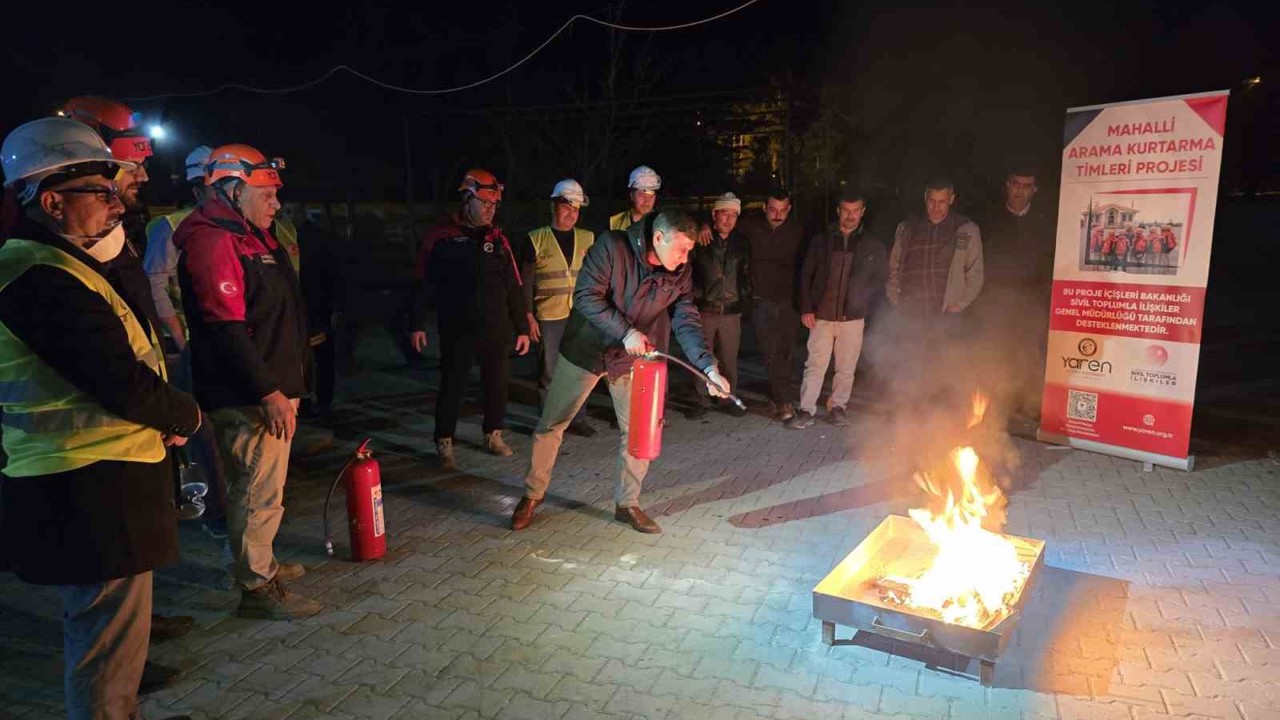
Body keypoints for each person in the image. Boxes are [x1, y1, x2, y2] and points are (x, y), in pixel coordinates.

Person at [0, 116, 200, 720]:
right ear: (52, 200)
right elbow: (116, 379)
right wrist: (186, 415)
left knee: (104, 634)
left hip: (90, 480)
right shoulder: (39, 275)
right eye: (101, 192)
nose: (116, 204)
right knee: (105, 646)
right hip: (87, 485)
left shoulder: (53, 265)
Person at [60, 96, 198, 653]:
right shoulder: (52, 262)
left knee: (118, 590)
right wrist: (174, 409)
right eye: (126, 169)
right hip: (84, 455)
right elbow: (104, 365)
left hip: (122, 438)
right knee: (99, 599)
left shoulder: (108, 241)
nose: (139, 179)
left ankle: (135, 631)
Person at [510, 210, 729, 534]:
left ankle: (627, 503)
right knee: (552, 424)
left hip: (630, 360)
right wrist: (625, 332)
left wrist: (708, 366)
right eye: (681, 249)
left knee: (639, 431)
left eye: (689, 250)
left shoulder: (680, 271)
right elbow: (585, 296)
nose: (686, 257)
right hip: (586, 349)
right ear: (658, 238)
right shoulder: (612, 247)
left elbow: (686, 318)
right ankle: (533, 493)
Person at [174, 144, 320, 619]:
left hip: (271, 388)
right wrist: (269, 391)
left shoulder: (251, 235)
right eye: (266, 194)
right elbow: (225, 328)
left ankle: (261, 562)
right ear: (232, 190)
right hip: (250, 396)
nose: (277, 204)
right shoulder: (215, 241)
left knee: (259, 488)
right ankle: (256, 589)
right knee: (257, 491)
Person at [409, 169, 530, 470]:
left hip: (495, 328)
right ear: (467, 200)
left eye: (494, 205)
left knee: (496, 384)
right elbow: (423, 283)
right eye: (485, 203)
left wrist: (523, 327)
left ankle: (493, 433)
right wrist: (417, 323)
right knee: (453, 384)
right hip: (456, 328)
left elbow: (514, 285)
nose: (490, 209)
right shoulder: (441, 237)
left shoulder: (498, 240)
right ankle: (444, 440)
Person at [142, 145, 231, 539]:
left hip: (229, 344)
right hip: (197, 347)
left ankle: (238, 520)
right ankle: (216, 517)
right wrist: (179, 339)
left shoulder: (236, 227)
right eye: (216, 187)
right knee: (204, 435)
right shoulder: (173, 226)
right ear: (198, 188)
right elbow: (155, 284)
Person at [788, 188, 887, 429]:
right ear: (838, 211)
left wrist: (865, 307)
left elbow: (880, 279)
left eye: (855, 211)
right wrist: (806, 308)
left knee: (846, 368)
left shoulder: (871, 244)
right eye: (845, 210)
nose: (850, 216)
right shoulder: (822, 240)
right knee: (815, 365)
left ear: (863, 212)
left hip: (853, 319)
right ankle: (806, 410)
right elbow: (806, 274)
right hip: (821, 316)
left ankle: (838, 407)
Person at [886, 179, 984, 409]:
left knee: (945, 363)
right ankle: (911, 412)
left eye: (942, 201)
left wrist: (959, 304)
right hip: (912, 308)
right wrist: (896, 299)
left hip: (946, 311)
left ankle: (943, 415)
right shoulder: (907, 228)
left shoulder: (965, 229)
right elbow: (893, 266)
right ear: (925, 198)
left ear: (951, 199)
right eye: (932, 201)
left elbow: (975, 271)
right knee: (913, 362)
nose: (936, 207)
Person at [518, 179, 596, 436]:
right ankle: (550, 423)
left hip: (580, 316)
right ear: (554, 206)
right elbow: (526, 282)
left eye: (576, 208)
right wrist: (528, 317)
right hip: (548, 316)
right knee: (549, 372)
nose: (572, 212)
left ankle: (578, 419)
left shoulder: (588, 238)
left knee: (581, 369)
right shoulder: (535, 239)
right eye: (567, 206)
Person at [976, 167, 1055, 418]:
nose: (1020, 190)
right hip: (994, 300)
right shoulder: (988, 220)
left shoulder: (1044, 224)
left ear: (1034, 190)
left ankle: (1029, 407)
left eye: (1026, 186)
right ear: (1007, 186)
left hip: (1031, 303)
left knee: (1028, 355)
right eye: (1016, 184)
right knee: (994, 354)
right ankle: (994, 406)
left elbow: (1050, 263)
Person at [739, 187, 805, 422]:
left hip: (789, 300)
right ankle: (783, 401)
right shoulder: (750, 227)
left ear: (789, 209)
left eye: (783, 210)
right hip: (762, 300)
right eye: (773, 210)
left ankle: (779, 397)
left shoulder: (798, 232)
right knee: (770, 351)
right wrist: (705, 227)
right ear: (765, 208)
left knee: (786, 351)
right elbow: (724, 225)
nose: (777, 215)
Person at [689, 192, 751, 418]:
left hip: (731, 310)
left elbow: (745, 273)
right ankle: (701, 401)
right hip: (704, 308)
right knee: (701, 356)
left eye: (734, 215)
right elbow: (690, 270)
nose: (729, 220)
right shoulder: (702, 239)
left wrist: (743, 296)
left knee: (729, 359)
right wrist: (697, 295)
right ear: (715, 215)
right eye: (724, 214)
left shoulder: (742, 242)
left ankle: (729, 397)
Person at [609, 165, 661, 231]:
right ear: (631, 196)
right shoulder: (615, 223)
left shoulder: (664, 224)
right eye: (641, 194)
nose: (646, 201)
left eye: (650, 196)